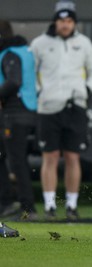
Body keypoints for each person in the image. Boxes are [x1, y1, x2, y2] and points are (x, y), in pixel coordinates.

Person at [30, 1, 92, 220]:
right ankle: (50, 205)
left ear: (74, 23)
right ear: (55, 21)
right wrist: (40, 92)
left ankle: (71, 205)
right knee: (50, 156)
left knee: (73, 157)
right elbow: (30, 72)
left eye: (69, 21)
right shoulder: (39, 43)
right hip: (48, 107)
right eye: (62, 20)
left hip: (75, 106)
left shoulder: (84, 43)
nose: (65, 24)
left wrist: (86, 89)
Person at [0, 20, 38, 220]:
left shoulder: (10, 54)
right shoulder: (24, 50)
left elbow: (14, 82)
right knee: (11, 158)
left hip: (15, 114)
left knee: (16, 161)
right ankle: (7, 202)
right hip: (24, 112)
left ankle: (27, 207)